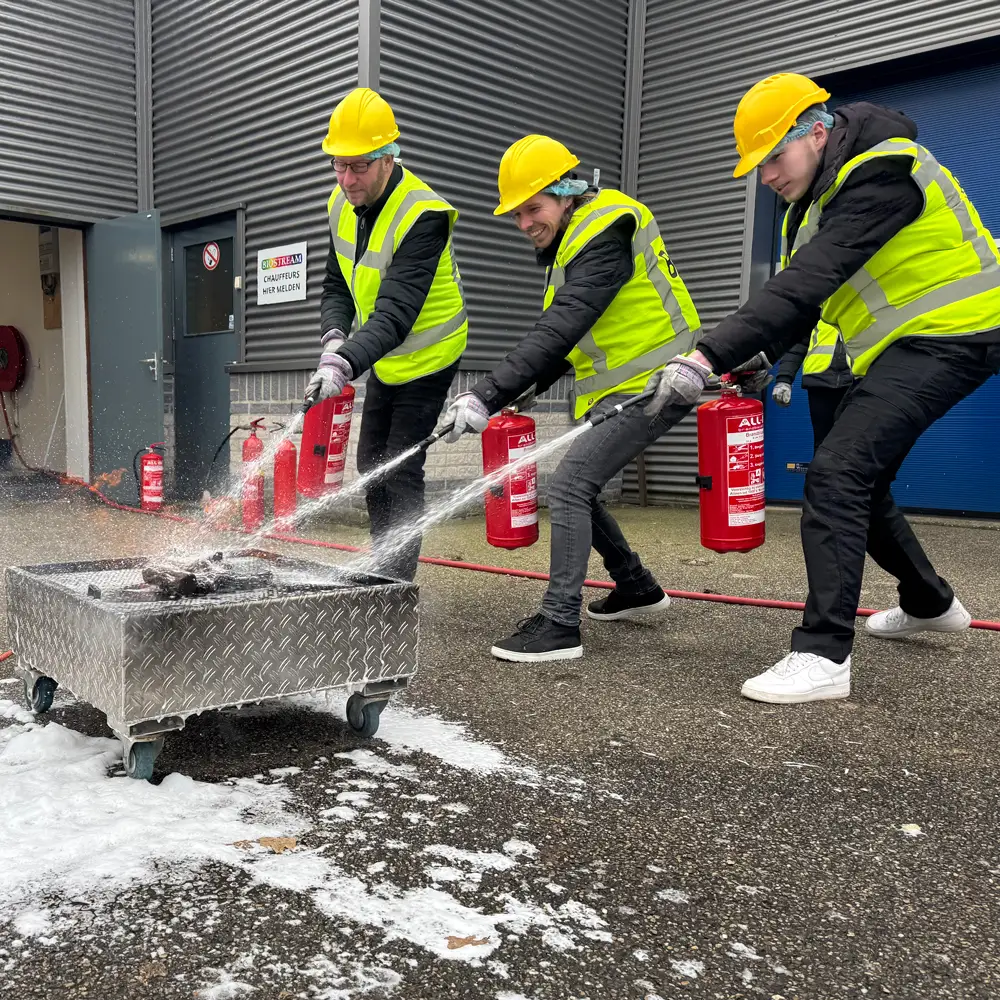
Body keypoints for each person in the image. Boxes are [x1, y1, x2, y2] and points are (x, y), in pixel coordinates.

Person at [646, 72, 1000, 703]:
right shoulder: (814, 204)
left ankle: (822, 654)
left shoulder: (883, 172)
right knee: (865, 482)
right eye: (757, 166)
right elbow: (804, 308)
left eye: (773, 157)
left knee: (836, 475)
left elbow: (809, 280)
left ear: (815, 132)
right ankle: (929, 602)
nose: (767, 178)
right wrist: (752, 361)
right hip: (901, 347)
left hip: (956, 334)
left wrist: (704, 356)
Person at [440, 133, 711, 663]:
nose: (524, 224)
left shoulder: (605, 230)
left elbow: (563, 324)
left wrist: (486, 394)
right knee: (580, 491)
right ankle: (636, 587)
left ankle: (560, 623)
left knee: (567, 487)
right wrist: (525, 389)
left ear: (567, 192)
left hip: (657, 384)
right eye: (516, 214)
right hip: (625, 387)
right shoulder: (575, 242)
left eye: (533, 209)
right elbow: (571, 341)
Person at [307, 87, 468, 581]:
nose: (347, 178)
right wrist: (334, 337)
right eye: (338, 165)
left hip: (430, 351)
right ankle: (384, 564)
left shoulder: (424, 215)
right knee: (369, 462)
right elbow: (337, 283)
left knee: (399, 467)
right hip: (384, 355)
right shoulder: (341, 202)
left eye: (358, 167)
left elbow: (396, 313)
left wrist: (344, 363)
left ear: (388, 157)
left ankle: (395, 581)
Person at [771, 320, 854, 450]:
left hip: (856, 382)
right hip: (820, 382)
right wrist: (784, 379)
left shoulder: (865, 305)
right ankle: (822, 471)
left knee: (855, 444)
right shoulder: (818, 304)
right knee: (822, 444)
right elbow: (798, 342)